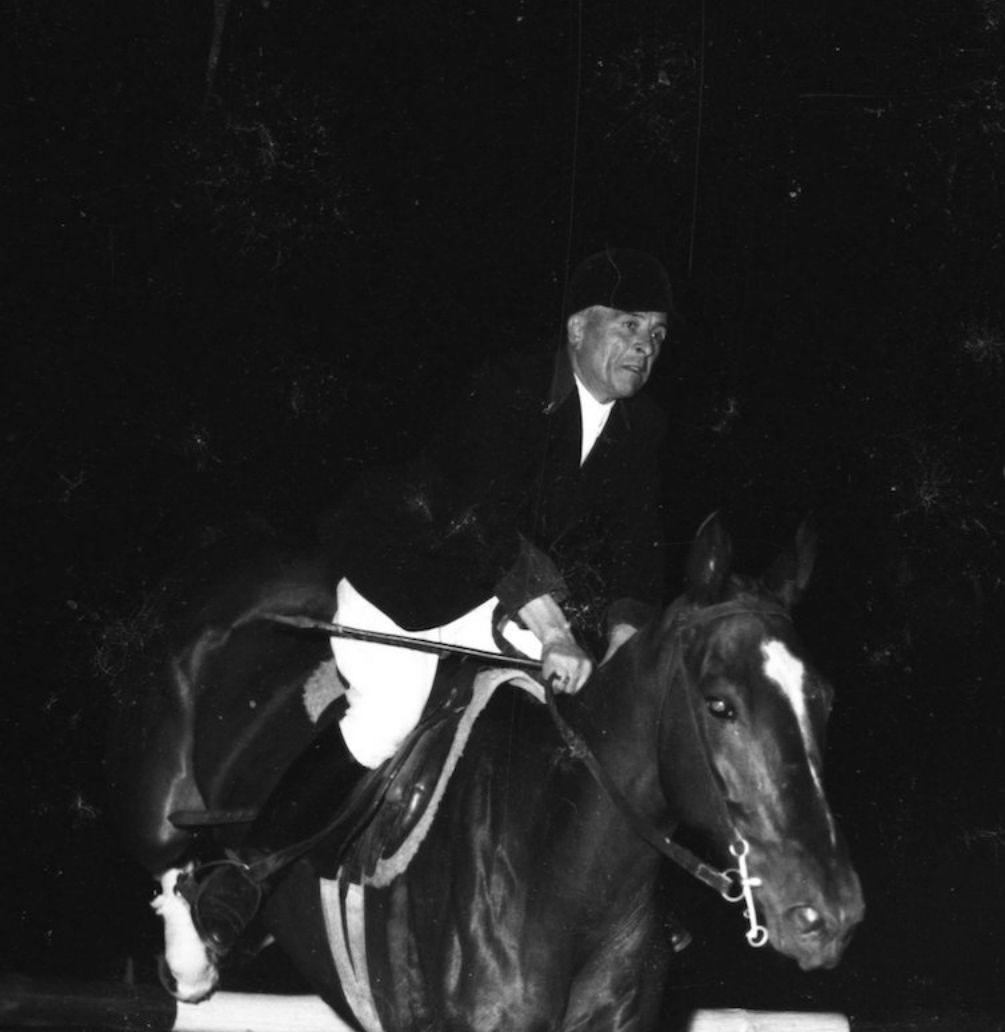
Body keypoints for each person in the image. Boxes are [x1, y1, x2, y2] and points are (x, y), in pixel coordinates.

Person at [182, 246, 676, 966]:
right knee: (389, 715)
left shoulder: (643, 425)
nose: (644, 345)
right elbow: (484, 522)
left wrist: (626, 647)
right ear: (577, 328)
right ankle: (243, 870)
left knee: (586, 714)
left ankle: (613, 902)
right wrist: (555, 632)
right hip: (410, 575)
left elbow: (637, 547)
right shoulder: (509, 386)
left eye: (656, 333)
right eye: (628, 325)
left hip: (498, 592)